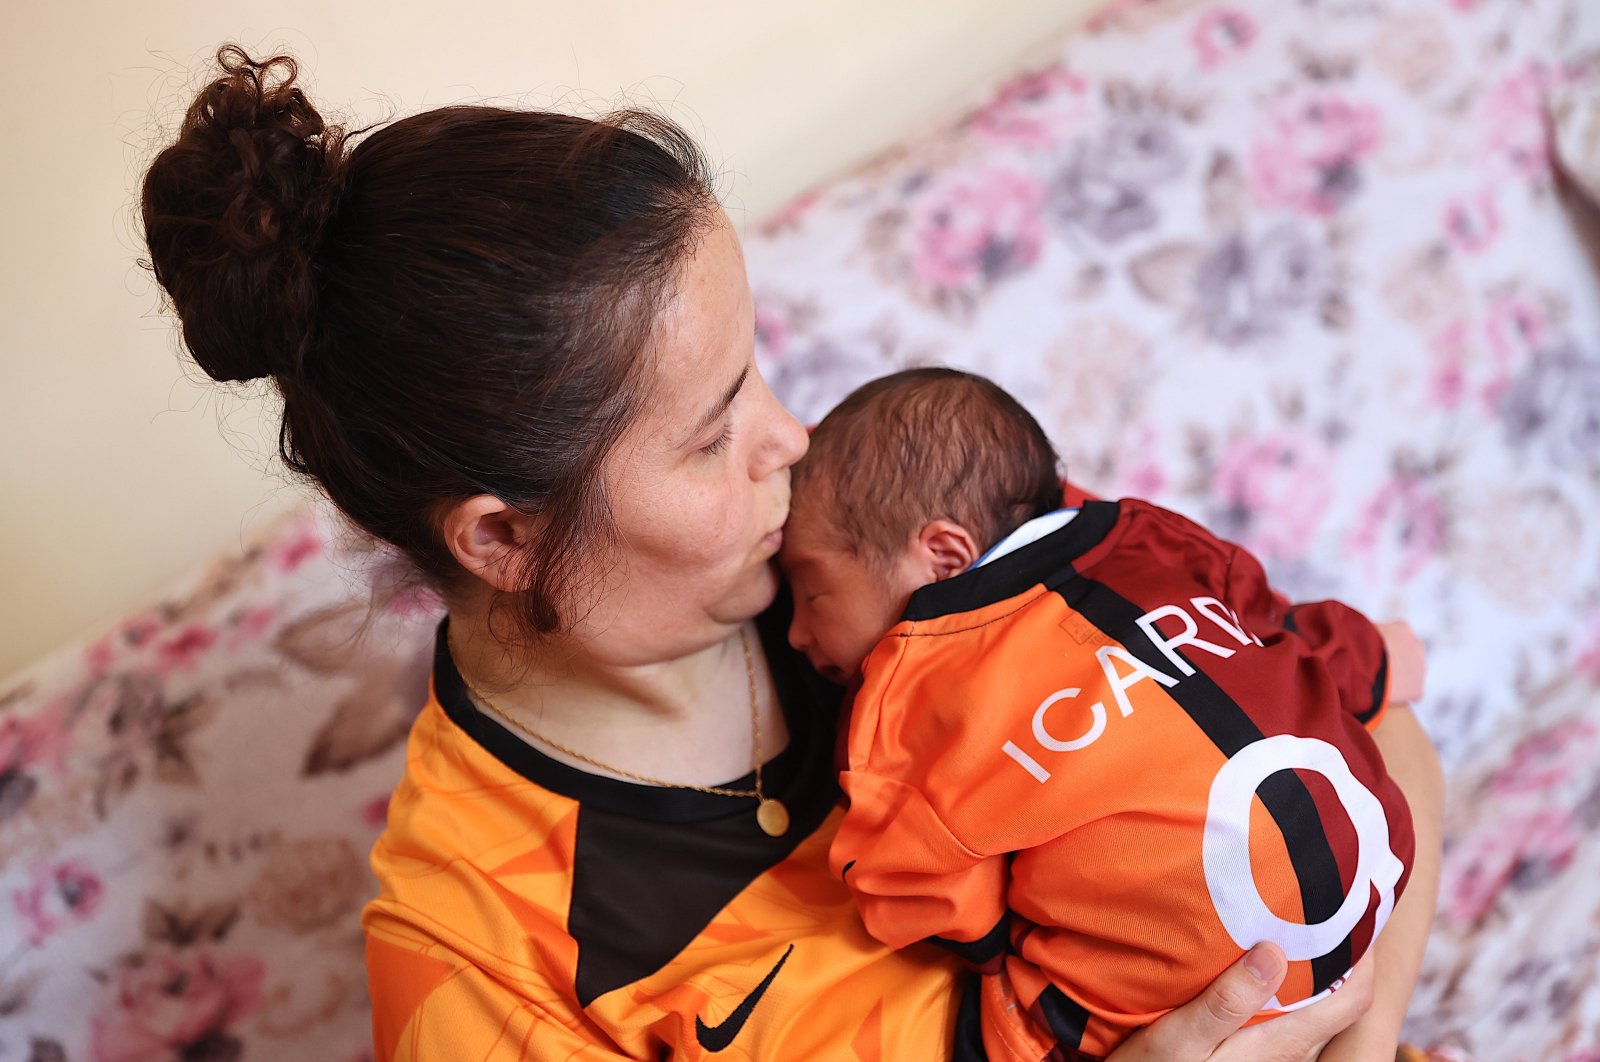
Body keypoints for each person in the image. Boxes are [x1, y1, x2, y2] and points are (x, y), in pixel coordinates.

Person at [138, 44, 1441, 1061]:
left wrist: (1362, 1035)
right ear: (502, 535)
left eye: (755, 372)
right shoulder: (476, 954)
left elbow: (1367, 734)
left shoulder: (882, 545)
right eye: (711, 439)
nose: (793, 437)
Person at [779, 368, 1434, 1060]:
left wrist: (994, 935)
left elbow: (915, 889)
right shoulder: (1151, 537)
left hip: (1163, 1001)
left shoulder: (908, 691)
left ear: (944, 555)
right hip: (1373, 892)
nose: (795, 631)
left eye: (810, 590)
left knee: (996, 1021)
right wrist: (1386, 662)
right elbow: (1288, 630)